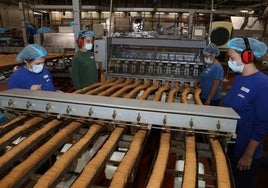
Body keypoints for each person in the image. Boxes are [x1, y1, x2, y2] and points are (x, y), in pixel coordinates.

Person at [221, 37, 268, 188]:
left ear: (247, 56)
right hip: (230, 145)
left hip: (244, 151)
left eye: (231, 57)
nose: (230, 61)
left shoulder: (262, 83)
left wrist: (248, 155)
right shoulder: (239, 79)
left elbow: (263, 123)